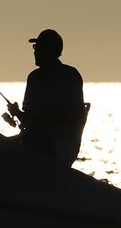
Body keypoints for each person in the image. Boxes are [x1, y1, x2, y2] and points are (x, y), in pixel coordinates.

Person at [6, 29, 87, 166]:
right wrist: (18, 114)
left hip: (57, 147)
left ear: (51, 51)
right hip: (39, 141)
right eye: (35, 47)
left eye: (39, 48)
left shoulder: (68, 77)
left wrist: (19, 115)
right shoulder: (34, 78)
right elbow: (32, 120)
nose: (35, 52)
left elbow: (60, 120)